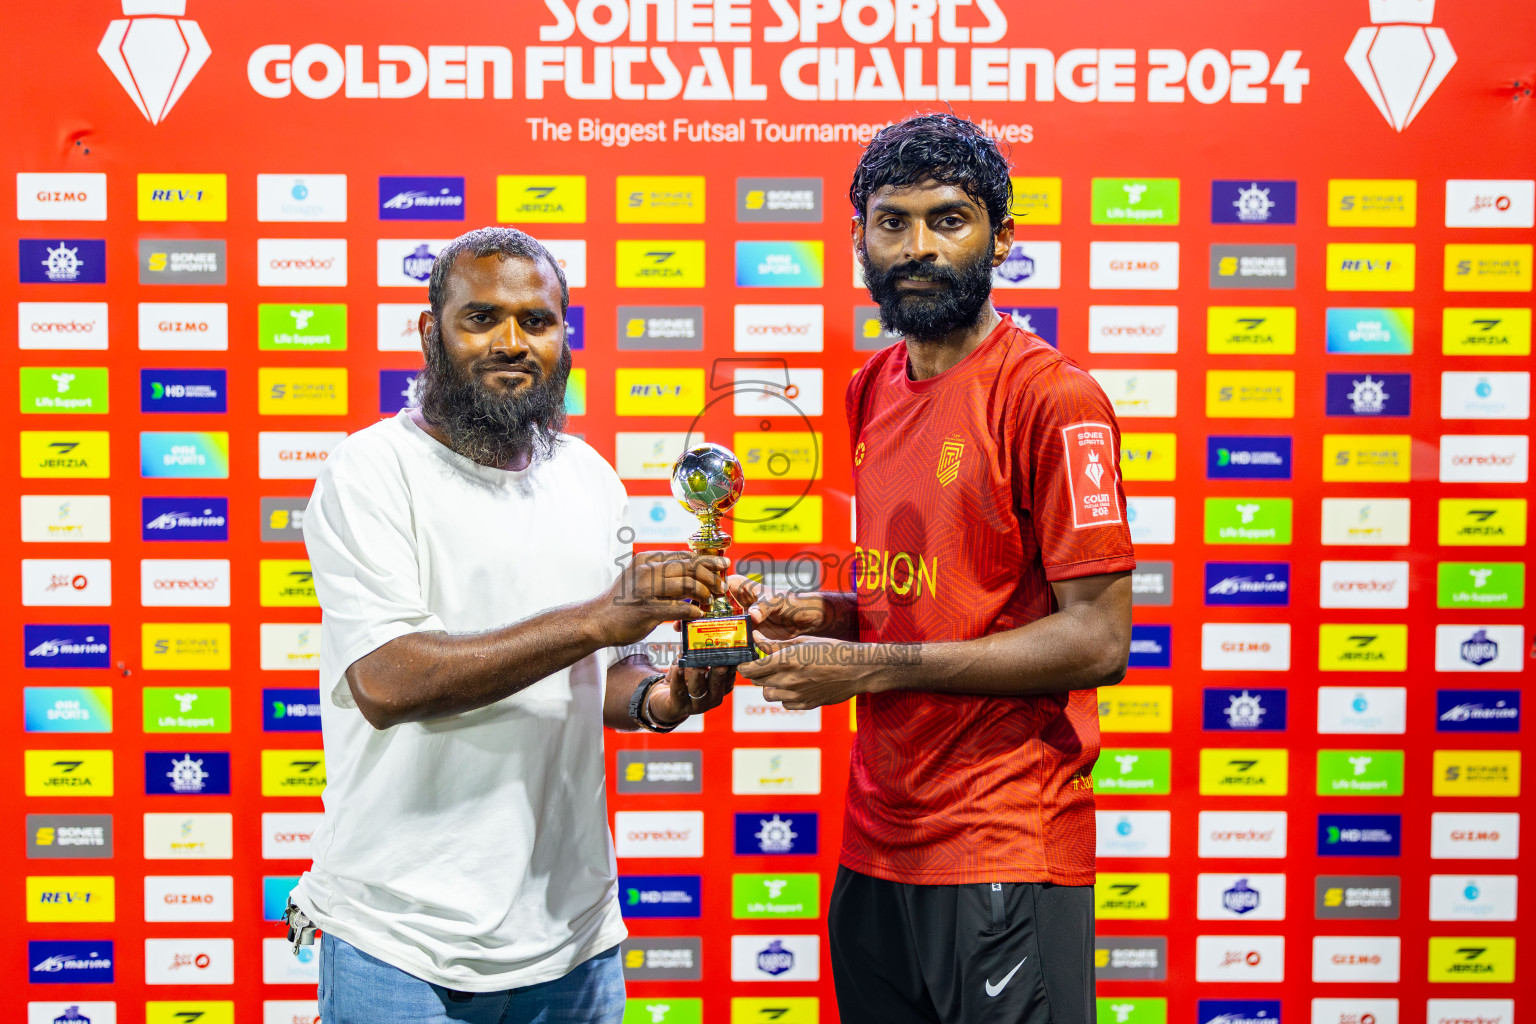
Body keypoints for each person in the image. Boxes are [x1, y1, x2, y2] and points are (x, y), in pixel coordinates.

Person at [732, 114, 1137, 1023]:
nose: (918, 247)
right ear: (857, 240)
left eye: (948, 220)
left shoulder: (1053, 398)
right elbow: (929, 596)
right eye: (893, 222)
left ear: (1002, 235)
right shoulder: (871, 385)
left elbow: (1098, 641)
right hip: (877, 841)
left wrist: (870, 666)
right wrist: (831, 616)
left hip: (1003, 842)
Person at [293, 226, 736, 1024]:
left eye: (537, 322)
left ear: (564, 337)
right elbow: (389, 681)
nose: (511, 342)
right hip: (399, 942)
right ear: (431, 331)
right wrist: (600, 619)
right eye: (481, 318)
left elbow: (602, 674)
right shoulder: (370, 471)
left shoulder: (588, 477)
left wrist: (665, 699)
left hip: (573, 941)